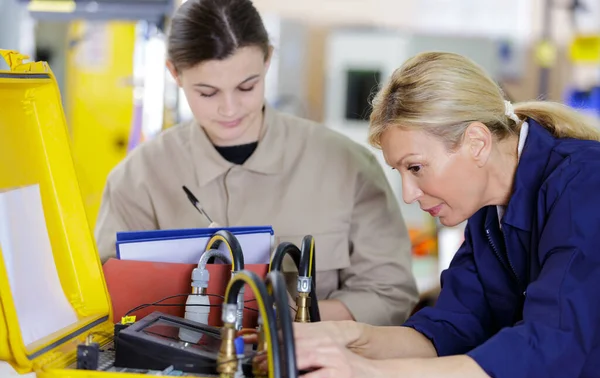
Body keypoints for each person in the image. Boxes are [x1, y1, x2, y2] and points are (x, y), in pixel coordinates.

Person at [293, 51, 600, 378]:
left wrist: (375, 376)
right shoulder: (488, 214)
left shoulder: (585, 184)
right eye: (401, 172)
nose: (408, 194)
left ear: (477, 143)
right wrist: (350, 337)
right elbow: (450, 329)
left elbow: (549, 348)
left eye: (416, 168)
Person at [94, 0, 418, 326]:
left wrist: (293, 318)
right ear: (175, 73)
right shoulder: (138, 178)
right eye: (207, 93)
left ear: (267, 60)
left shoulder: (348, 166)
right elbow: (106, 299)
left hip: (307, 373)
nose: (229, 109)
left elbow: (390, 294)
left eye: (246, 87)